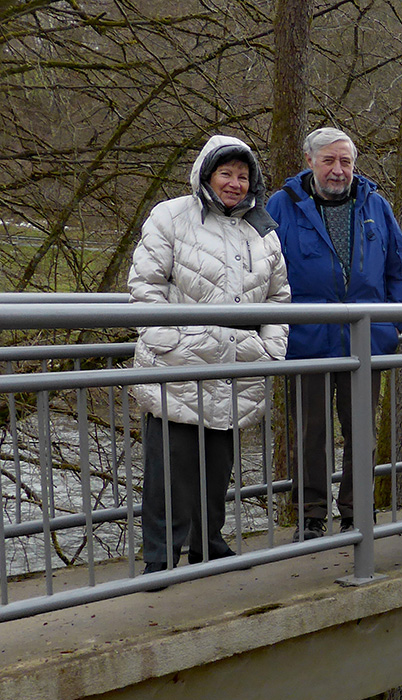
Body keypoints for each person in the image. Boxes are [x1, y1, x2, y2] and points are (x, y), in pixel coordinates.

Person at [129, 134, 290, 574]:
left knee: (218, 466)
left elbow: (279, 299)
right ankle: (161, 558)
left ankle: (208, 546)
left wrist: (271, 350)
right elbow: (146, 286)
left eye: (243, 175)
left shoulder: (263, 231)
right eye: (226, 174)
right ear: (206, 173)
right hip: (181, 361)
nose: (235, 183)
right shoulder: (171, 216)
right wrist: (171, 341)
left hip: (239, 361)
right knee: (170, 468)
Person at [267, 127, 402, 541]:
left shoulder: (375, 206)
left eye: (345, 162)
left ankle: (356, 513)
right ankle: (311, 517)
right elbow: (264, 273)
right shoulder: (282, 206)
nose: (337, 170)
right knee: (308, 434)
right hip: (306, 341)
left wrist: (387, 328)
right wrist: (280, 329)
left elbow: (399, 272)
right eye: (329, 160)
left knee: (361, 434)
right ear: (310, 160)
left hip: (363, 340)